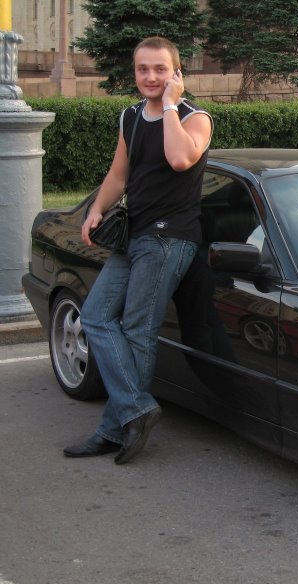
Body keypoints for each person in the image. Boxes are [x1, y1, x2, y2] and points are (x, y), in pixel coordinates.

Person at [63, 36, 213, 464]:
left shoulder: (196, 118)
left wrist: (170, 105)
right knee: (95, 316)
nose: (150, 77)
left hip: (170, 239)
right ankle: (134, 410)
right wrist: (95, 210)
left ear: (176, 73)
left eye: (160, 69)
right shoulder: (129, 117)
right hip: (135, 234)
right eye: (143, 69)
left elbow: (180, 158)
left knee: (137, 330)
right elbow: (118, 175)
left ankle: (114, 429)